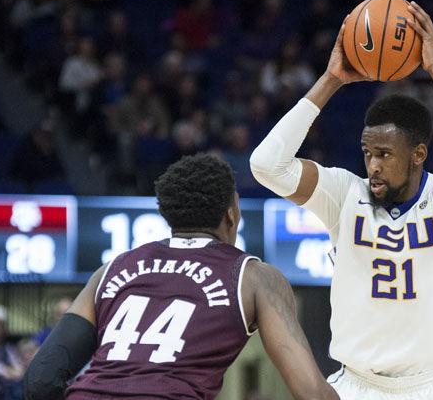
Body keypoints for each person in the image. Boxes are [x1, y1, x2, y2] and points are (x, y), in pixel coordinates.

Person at [250, 2, 433, 399]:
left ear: (419, 153)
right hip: (355, 385)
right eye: (367, 152)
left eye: (384, 154)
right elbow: (266, 165)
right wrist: (331, 79)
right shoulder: (343, 194)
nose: (373, 165)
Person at [24, 153, 338, 400]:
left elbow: (40, 380)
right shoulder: (254, 276)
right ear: (231, 213)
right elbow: (311, 392)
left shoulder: (110, 270)